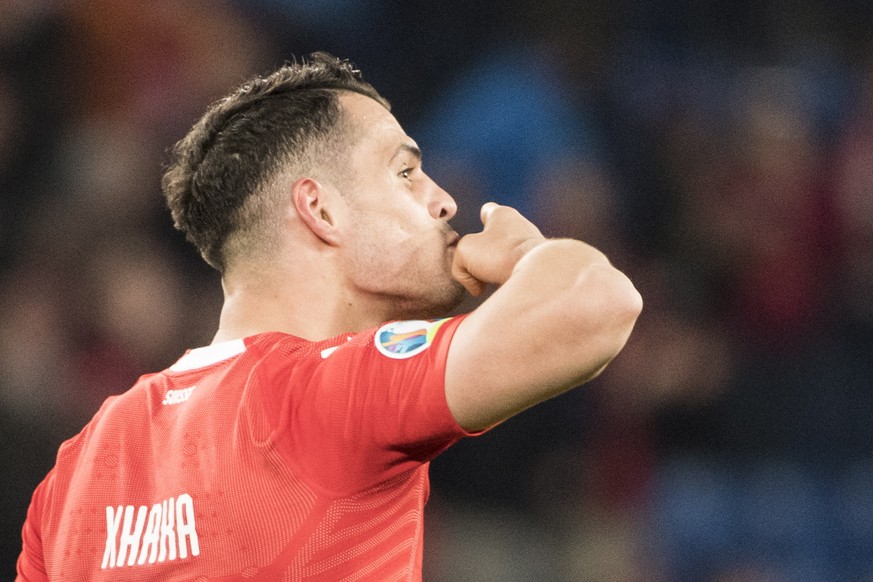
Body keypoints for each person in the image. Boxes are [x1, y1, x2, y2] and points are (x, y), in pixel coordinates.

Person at [17, 52, 642, 580]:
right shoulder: (325, 394)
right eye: (405, 173)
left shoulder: (76, 469)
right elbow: (597, 302)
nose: (446, 201)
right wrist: (526, 253)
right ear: (321, 210)